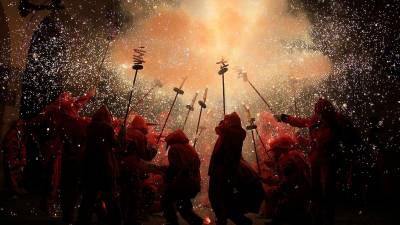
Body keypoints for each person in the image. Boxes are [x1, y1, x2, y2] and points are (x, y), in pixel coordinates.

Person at [275, 98, 360, 225]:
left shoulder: (338, 120)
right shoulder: (315, 121)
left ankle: (327, 217)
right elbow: (301, 121)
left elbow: (352, 137)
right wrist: (284, 117)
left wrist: (349, 155)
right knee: (315, 190)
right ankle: (317, 217)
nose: (319, 112)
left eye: (320, 110)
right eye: (318, 110)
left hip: (329, 160)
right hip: (316, 159)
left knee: (327, 190)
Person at [209, 112, 264, 225]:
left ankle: (237, 221)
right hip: (222, 171)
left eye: (227, 120)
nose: (225, 121)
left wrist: (223, 125)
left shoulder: (232, 132)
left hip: (223, 172)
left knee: (218, 199)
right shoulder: (231, 132)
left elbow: (218, 129)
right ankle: (233, 220)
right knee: (221, 199)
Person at [77, 105, 121, 225]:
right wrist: (121, 134)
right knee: (110, 196)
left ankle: (83, 220)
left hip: (90, 166)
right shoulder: (107, 127)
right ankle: (112, 221)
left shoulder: (90, 127)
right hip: (104, 167)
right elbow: (115, 144)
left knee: (88, 198)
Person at [118, 115, 157, 225]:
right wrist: (154, 148)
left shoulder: (126, 132)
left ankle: (122, 219)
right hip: (131, 168)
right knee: (134, 196)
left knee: (123, 196)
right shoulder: (139, 135)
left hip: (120, 168)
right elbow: (146, 155)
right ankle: (132, 221)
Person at [266, 135, 311, 225]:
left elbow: (289, 180)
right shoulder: (293, 155)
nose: (273, 153)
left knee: (287, 209)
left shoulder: (287, 160)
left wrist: (277, 190)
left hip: (297, 191)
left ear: (280, 149)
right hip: (300, 189)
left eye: (275, 150)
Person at [162, 129, 203, 225]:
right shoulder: (190, 148)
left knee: (166, 201)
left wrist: (167, 176)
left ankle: (172, 222)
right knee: (184, 208)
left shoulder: (174, 148)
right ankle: (198, 222)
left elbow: (176, 168)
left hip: (183, 184)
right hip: (193, 184)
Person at [1, 120, 27, 196]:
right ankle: (13, 191)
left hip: (16, 159)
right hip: (12, 158)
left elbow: (21, 146)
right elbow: (10, 147)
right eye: (20, 126)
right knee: (12, 176)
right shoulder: (12, 134)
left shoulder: (19, 134)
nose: (21, 128)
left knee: (17, 175)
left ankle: (16, 190)